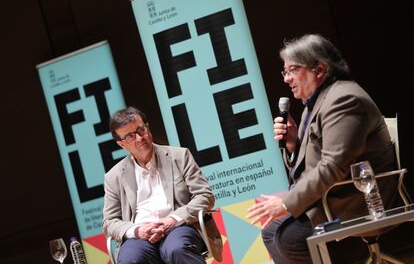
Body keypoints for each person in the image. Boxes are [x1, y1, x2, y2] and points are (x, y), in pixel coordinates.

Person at [246, 34, 398, 263]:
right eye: (284, 72)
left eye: (293, 70)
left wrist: (287, 203)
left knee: (289, 239)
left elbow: (333, 165)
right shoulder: (315, 103)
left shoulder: (344, 99)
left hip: (357, 201)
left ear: (319, 70)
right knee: (271, 233)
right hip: (333, 196)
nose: (287, 79)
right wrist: (293, 143)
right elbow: (312, 164)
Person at [102, 106, 222, 264]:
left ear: (148, 127)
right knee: (130, 260)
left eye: (141, 130)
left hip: (179, 226)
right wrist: (137, 230)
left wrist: (172, 219)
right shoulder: (114, 176)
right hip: (140, 236)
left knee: (176, 249)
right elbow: (109, 222)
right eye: (131, 136)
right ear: (121, 144)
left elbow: (204, 196)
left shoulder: (179, 156)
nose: (139, 138)